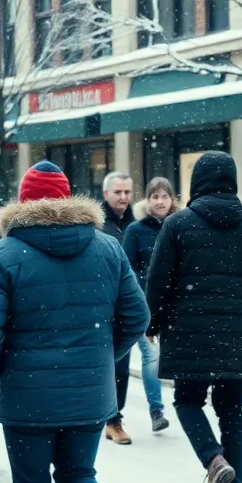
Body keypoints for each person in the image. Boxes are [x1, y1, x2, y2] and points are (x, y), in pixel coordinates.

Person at [0, 161, 149, 483]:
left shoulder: (3, 254)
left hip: (26, 398)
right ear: (68, 198)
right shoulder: (107, 247)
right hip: (89, 394)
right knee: (80, 473)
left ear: (23, 201)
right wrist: (103, 358)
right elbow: (137, 317)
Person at [145, 152, 242, 483]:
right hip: (238, 333)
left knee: (188, 402)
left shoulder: (177, 225)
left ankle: (214, 461)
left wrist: (153, 322)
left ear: (197, 183)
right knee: (231, 409)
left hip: (187, 332)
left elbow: (158, 281)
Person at [119, 177, 177, 436]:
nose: (161, 201)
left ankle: (188, 405)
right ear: (147, 200)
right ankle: (157, 411)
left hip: (177, 304)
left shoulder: (181, 226)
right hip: (146, 304)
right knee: (152, 356)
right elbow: (127, 268)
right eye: (155, 196)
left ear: (173, 200)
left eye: (165, 196)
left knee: (179, 358)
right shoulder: (136, 230)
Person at [98, 171, 137, 445]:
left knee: (121, 367)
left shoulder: (137, 224)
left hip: (126, 306)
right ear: (105, 194)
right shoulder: (95, 224)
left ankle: (114, 420)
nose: (123, 197)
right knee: (99, 365)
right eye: (118, 192)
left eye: (127, 192)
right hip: (99, 306)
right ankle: (98, 416)